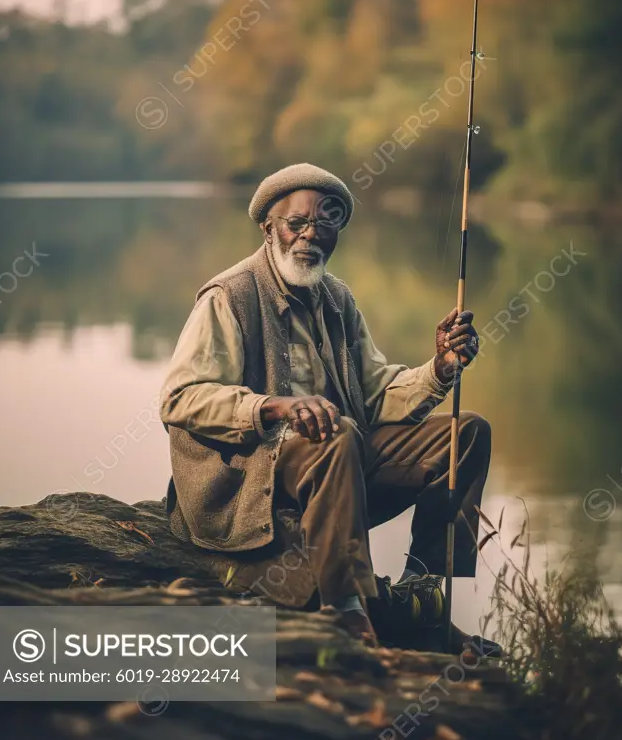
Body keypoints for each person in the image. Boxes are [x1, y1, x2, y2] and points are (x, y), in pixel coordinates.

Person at [160, 163, 492, 650]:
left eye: (326, 222)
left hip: (338, 461)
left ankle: (422, 584)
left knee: (467, 433)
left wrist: (440, 368)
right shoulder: (228, 295)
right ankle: (347, 611)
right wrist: (272, 407)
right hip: (251, 477)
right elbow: (179, 398)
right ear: (269, 227)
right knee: (336, 432)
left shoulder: (337, 298)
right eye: (297, 223)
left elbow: (377, 395)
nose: (310, 234)